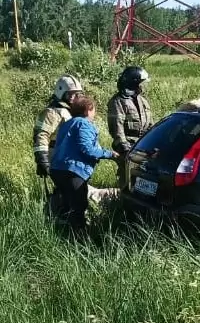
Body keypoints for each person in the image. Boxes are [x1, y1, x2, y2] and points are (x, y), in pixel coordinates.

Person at [32, 75, 117, 205]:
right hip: (58, 157)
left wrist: (97, 152)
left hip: (73, 161)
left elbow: (83, 138)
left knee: (71, 192)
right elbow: (41, 135)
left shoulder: (71, 112)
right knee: (70, 193)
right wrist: (42, 158)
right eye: (69, 94)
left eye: (75, 94)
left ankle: (63, 215)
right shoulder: (53, 112)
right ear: (61, 92)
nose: (72, 97)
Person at [50, 95, 118, 235]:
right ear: (88, 110)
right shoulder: (84, 124)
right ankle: (79, 237)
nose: (95, 113)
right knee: (79, 205)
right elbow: (87, 148)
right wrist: (109, 154)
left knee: (67, 204)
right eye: (94, 110)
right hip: (73, 170)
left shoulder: (67, 124)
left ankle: (62, 233)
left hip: (57, 169)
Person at [107, 66, 153, 188]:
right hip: (127, 149)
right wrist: (127, 151)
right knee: (127, 181)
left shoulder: (143, 101)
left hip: (143, 147)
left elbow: (150, 126)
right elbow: (117, 130)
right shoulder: (118, 102)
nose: (143, 86)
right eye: (141, 83)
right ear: (134, 84)